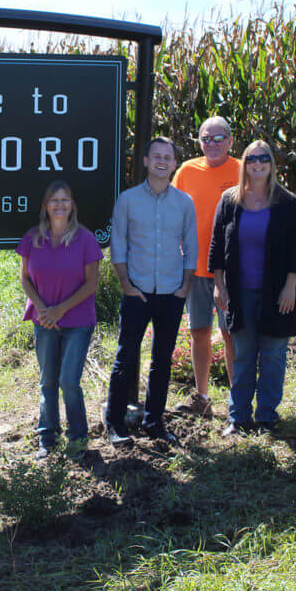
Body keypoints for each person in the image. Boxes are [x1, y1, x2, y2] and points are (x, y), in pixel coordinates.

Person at [106, 137, 197, 445]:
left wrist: (184, 287)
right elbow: (118, 245)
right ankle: (115, 424)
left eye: (167, 157)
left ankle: (154, 421)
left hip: (171, 292)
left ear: (174, 164)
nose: (161, 161)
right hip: (137, 292)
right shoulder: (128, 200)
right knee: (126, 356)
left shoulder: (184, 203)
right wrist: (125, 284)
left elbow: (191, 247)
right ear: (145, 161)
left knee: (162, 359)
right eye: (155, 156)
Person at [210, 140, 296, 435]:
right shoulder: (230, 200)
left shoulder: (287, 203)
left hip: (276, 292)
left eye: (264, 158)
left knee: (274, 355)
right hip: (239, 292)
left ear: (272, 164)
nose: (258, 163)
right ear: (244, 163)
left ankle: (266, 417)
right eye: (252, 158)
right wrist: (218, 285)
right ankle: (238, 418)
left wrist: (291, 286)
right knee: (242, 355)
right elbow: (216, 247)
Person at [16, 180, 104, 460]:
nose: (59, 205)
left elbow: (91, 284)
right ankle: (47, 439)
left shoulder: (85, 239)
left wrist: (59, 310)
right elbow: (25, 278)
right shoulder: (32, 238)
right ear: (45, 206)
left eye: (64, 200)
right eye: (54, 200)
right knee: (47, 381)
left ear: (72, 206)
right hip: (43, 320)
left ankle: (78, 440)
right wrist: (44, 310)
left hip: (77, 320)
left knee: (69, 380)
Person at [171, 116, 240, 417]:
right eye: (205, 138)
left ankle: (238, 401)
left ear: (230, 140)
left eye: (218, 137)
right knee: (199, 332)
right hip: (196, 267)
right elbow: (172, 208)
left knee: (231, 335)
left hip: (231, 270)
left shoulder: (241, 170)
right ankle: (202, 397)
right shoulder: (187, 170)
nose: (212, 143)